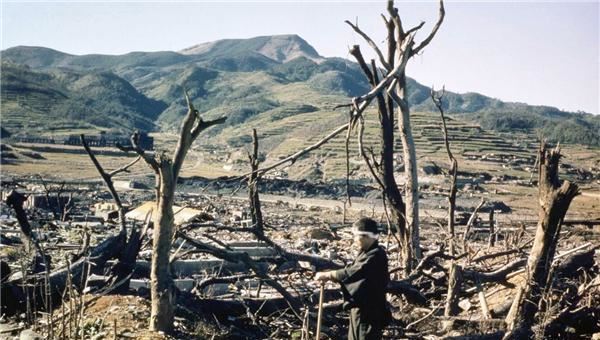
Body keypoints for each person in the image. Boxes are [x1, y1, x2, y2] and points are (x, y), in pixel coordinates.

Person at [315, 217, 391, 340]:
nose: (354, 240)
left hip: (370, 311)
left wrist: (329, 275)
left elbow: (353, 272)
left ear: (366, 236)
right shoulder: (365, 252)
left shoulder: (376, 254)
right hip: (360, 307)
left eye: (356, 236)